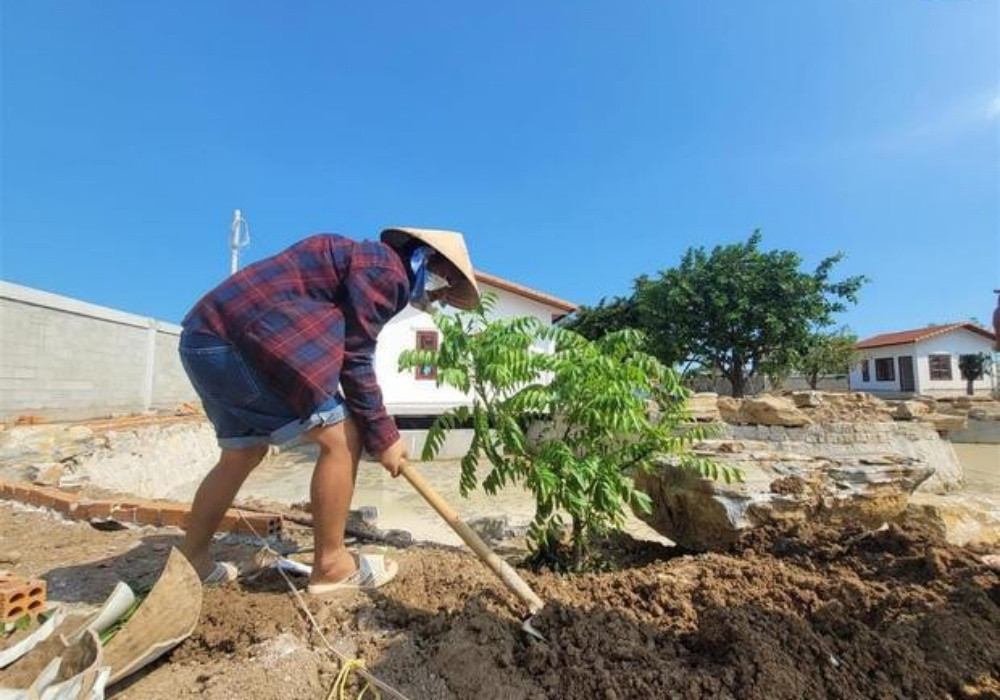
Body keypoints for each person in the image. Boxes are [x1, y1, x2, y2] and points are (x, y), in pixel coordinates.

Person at [177, 227, 480, 591]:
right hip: (246, 343)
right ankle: (332, 564)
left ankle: (192, 561)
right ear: (429, 261)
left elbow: (339, 348)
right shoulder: (387, 272)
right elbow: (355, 358)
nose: (441, 297)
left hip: (203, 341)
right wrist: (384, 436)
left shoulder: (360, 260)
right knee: (344, 438)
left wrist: (379, 430)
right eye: (445, 286)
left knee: (241, 454)